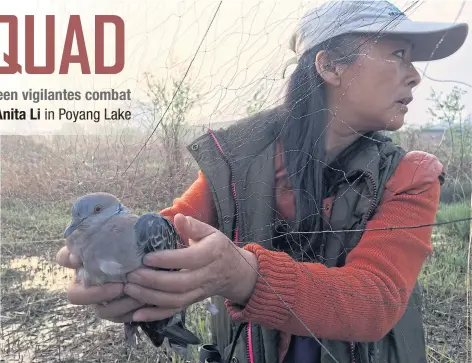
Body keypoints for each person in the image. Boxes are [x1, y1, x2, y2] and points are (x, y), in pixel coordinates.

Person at [56, 1, 469, 362]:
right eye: (399, 54)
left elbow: (376, 300)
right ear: (329, 66)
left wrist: (245, 275)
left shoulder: (412, 174)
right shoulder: (235, 161)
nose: (415, 75)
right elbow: (171, 228)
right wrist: (121, 265)